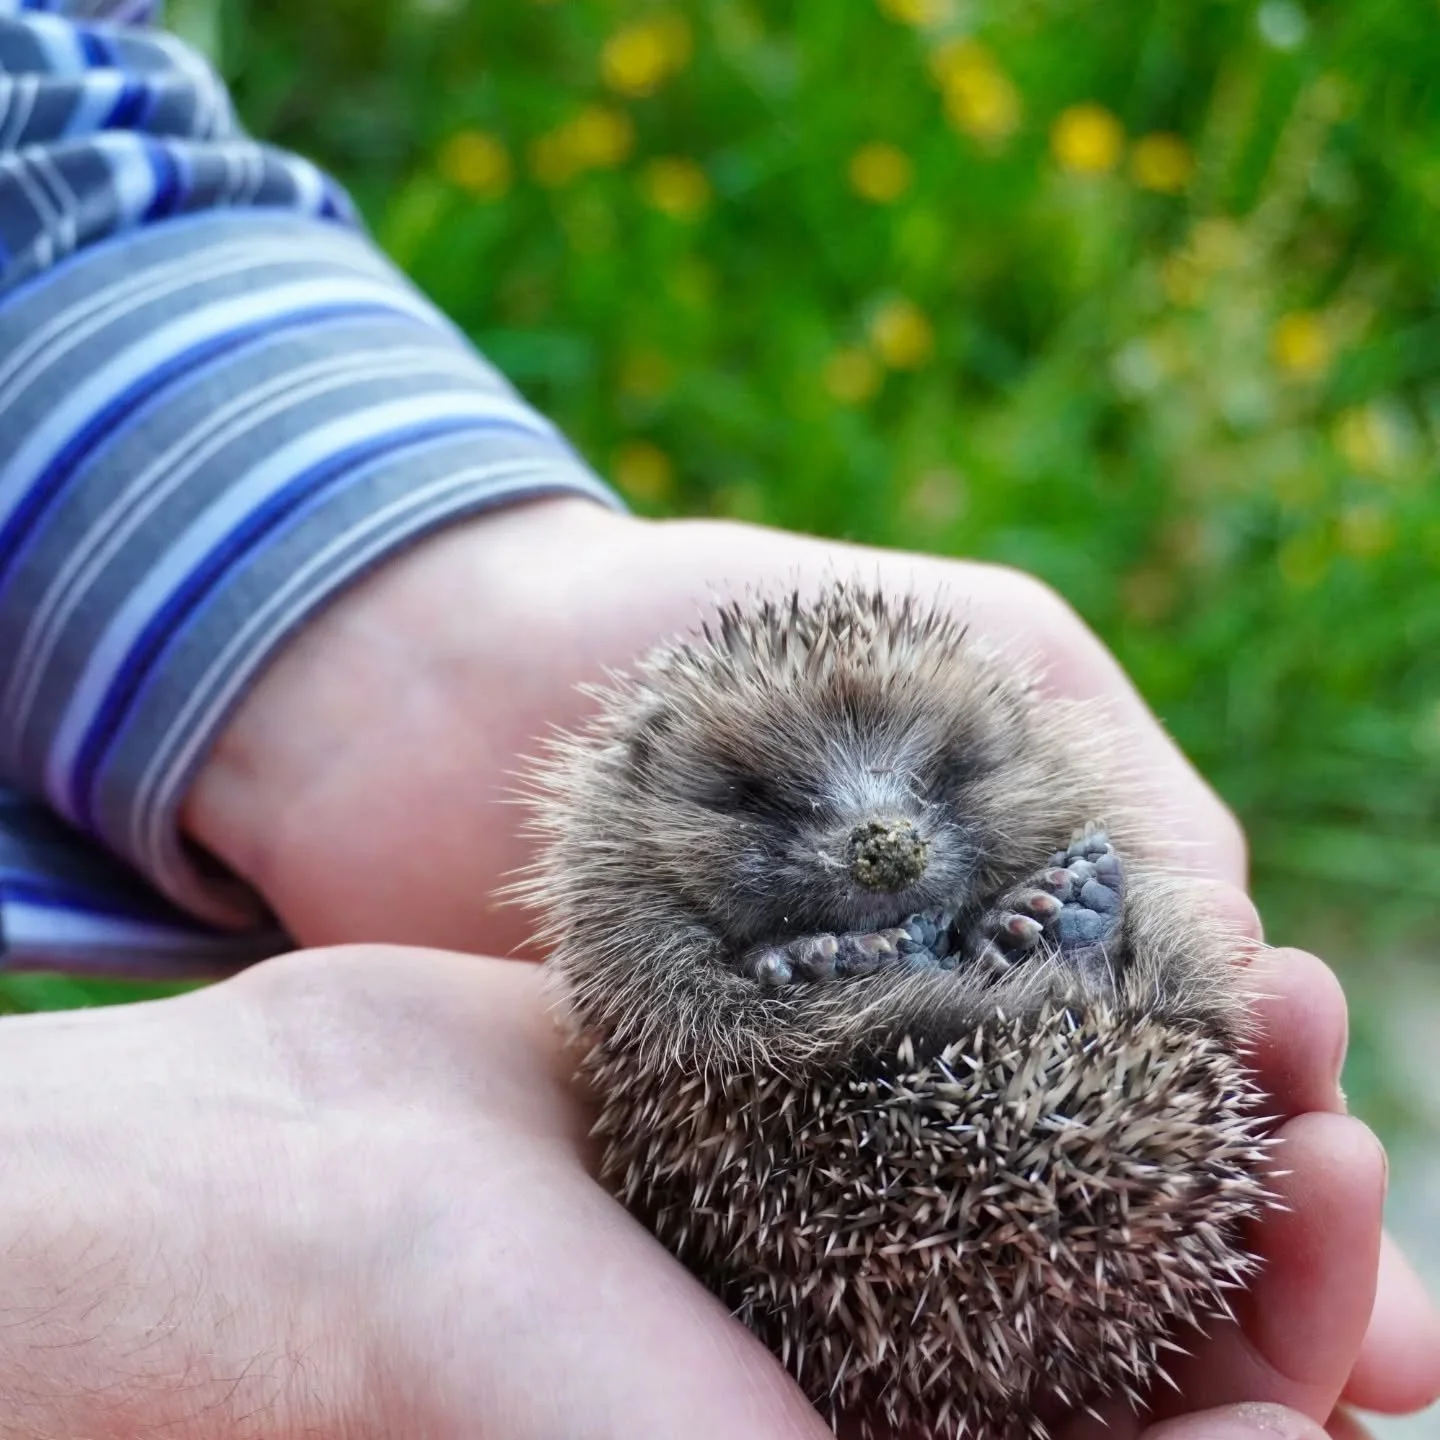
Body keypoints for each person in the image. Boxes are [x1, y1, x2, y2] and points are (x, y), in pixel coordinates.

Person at [0, 4, 1434, 1437]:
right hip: (831, 1132)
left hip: (1026, 1071)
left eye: (935, 772)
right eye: (767, 799)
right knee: (756, 1062)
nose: (878, 830)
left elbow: (40, 146)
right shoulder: (639, 926)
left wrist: (378, 611)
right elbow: (681, 1052)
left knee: (1160, 985)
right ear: (647, 798)